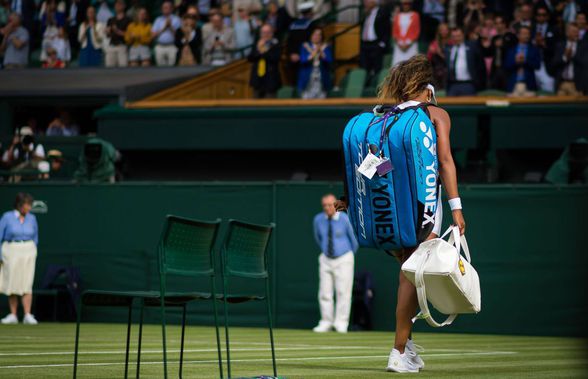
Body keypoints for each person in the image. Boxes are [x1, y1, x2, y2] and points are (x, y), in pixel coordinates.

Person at [350, 54, 465, 372]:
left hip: (389, 210)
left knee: (409, 275)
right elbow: (445, 162)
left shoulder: (384, 118)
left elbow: (374, 166)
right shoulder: (436, 114)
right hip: (423, 209)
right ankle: (399, 351)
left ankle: (407, 346)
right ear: (428, 87)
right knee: (410, 279)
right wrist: (456, 208)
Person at [312, 193, 359, 333]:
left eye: (330, 205)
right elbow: (318, 238)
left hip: (344, 258)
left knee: (343, 291)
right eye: (324, 205)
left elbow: (354, 240)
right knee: (325, 292)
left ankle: (341, 323)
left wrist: (346, 255)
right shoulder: (318, 220)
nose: (327, 208)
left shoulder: (345, 219)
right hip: (326, 258)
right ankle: (326, 321)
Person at [0, 193, 40, 325]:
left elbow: (35, 237)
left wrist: (32, 249)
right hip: (11, 251)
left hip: (28, 251)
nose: (29, 207)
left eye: (30, 204)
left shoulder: (32, 218)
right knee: (12, 282)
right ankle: (13, 315)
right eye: (27, 204)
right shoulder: (7, 217)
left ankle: (27, 315)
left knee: (27, 283)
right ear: (19, 204)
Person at [445, 27, 486, 96]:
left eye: (458, 36)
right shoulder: (448, 49)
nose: (456, 39)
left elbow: (480, 65)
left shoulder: (472, 47)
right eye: (454, 36)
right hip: (453, 85)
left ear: (463, 36)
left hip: (468, 84)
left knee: (469, 106)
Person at [359, 0, 390, 85]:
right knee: (364, 70)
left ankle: (376, 90)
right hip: (365, 45)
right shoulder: (365, 13)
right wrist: (365, 14)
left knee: (377, 70)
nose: (365, 2)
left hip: (376, 45)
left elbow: (387, 29)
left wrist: (382, 44)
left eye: (367, 1)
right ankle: (365, 89)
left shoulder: (382, 12)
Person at [505, 26, 541, 96]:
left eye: (528, 34)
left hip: (529, 85)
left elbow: (537, 65)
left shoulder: (534, 49)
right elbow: (506, 66)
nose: (527, 36)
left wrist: (525, 60)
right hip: (513, 85)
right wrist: (515, 61)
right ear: (518, 35)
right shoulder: (511, 50)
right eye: (524, 34)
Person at [285, 1, 316, 85]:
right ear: (311, 12)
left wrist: (292, 54)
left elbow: (289, 42)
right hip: (306, 58)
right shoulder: (312, 25)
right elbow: (311, 42)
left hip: (293, 57)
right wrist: (300, 54)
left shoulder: (293, 25)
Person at [551, 22, 586, 95]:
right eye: (574, 32)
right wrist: (565, 57)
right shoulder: (560, 46)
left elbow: (585, 63)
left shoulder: (583, 47)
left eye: (577, 32)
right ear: (567, 33)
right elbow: (554, 64)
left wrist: (572, 55)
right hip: (561, 84)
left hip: (576, 85)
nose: (576, 34)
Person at [298, 27, 333, 99]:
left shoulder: (325, 47)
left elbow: (329, 61)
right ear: (311, 35)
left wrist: (321, 52)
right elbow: (302, 60)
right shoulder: (305, 46)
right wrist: (312, 54)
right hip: (308, 78)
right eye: (315, 34)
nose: (317, 37)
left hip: (321, 78)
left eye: (319, 35)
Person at [248, 23, 281, 98]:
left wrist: (262, 50)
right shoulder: (257, 43)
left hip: (270, 80)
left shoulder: (276, 44)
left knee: (269, 106)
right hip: (257, 80)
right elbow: (250, 58)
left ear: (272, 33)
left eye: (268, 32)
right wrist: (258, 49)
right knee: (255, 106)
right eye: (263, 32)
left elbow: (275, 58)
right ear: (260, 34)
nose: (265, 34)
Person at [486, 14, 516, 91]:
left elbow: (513, 51)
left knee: (507, 91)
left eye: (500, 23)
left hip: (507, 70)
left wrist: (502, 45)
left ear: (505, 24)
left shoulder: (511, 36)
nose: (498, 25)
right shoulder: (494, 38)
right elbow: (489, 53)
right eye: (496, 23)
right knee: (494, 92)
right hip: (495, 70)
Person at [532, 6, 557, 93]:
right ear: (535, 16)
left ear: (547, 16)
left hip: (547, 65)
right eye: (539, 15)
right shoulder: (531, 28)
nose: (541, 17)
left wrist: (544, 45)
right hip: (532, 65)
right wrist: (534, 43)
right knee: (532, 93)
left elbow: (557, 48)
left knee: (548, 92)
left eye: (544, 15)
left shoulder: (554, 29)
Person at [151, 0, 182, 66]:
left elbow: (178, 36)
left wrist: (170, 26)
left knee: (171, 68)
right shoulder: (158, 20)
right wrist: (164, 28)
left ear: (171, 9)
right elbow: (153, 35)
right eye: (164, 8)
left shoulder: (177, 19)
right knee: (160, 69)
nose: (166, 9)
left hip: (172, 46)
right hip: (160, 46)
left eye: (167, 7)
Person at [391, 0, 420, 66]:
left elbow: (417, 31)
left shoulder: (415, 15)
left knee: (411, 66)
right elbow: (394, 32)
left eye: (408, 3)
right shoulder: (397, 16)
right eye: (404, 4)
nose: (406, 5)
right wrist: (400, 44)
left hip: (411, 45)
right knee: (398, 67)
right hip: (399, 45)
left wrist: (408, 44)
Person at [105, 0, 131, 67]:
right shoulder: (110, 20)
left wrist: (117, 31)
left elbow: (129, 35)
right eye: (116, 4)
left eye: (120, 4)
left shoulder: (128, 20)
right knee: (109, 68)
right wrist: (107, 32)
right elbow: (108, 35)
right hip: (111, 46)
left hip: (122, 46)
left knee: (123, 68)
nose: (117, 6)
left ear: (124, 6)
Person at [427, 22, 450, 89]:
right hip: (436, 70)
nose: (444, 32)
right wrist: (431, 52)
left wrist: (439, 53)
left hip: (448, 69)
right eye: (441, 30)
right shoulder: (435, 43)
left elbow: (451, 59)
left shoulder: (452, 42)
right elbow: (428, 59)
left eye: (445, 30)